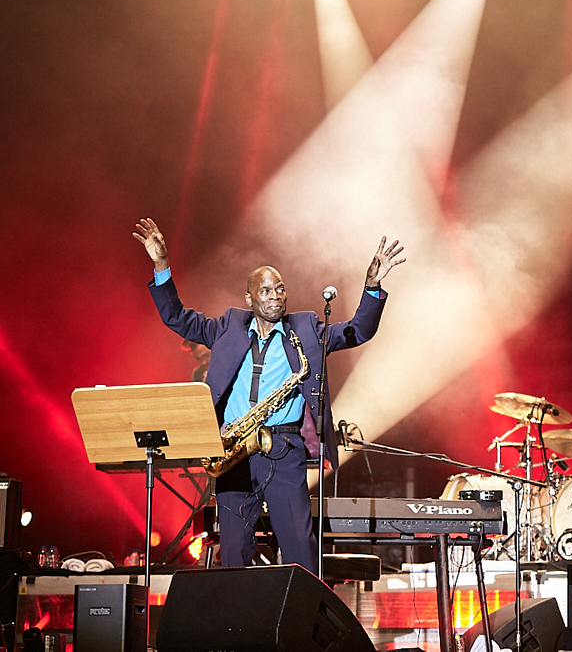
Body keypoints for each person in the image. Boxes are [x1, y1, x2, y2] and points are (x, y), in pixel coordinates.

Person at [133, 218, 405, 573]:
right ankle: (239, 611)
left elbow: (358, 331)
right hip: (233, 451)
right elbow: (177, 318)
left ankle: (301, 607)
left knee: (299, 548)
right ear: (249, 298)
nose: (275, 296)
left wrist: (372, 286)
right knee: (233, 552)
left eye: (280, 289)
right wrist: (161, 265)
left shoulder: (305, 328)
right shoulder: (228, 326)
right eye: (265, 291)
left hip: (283, 449)